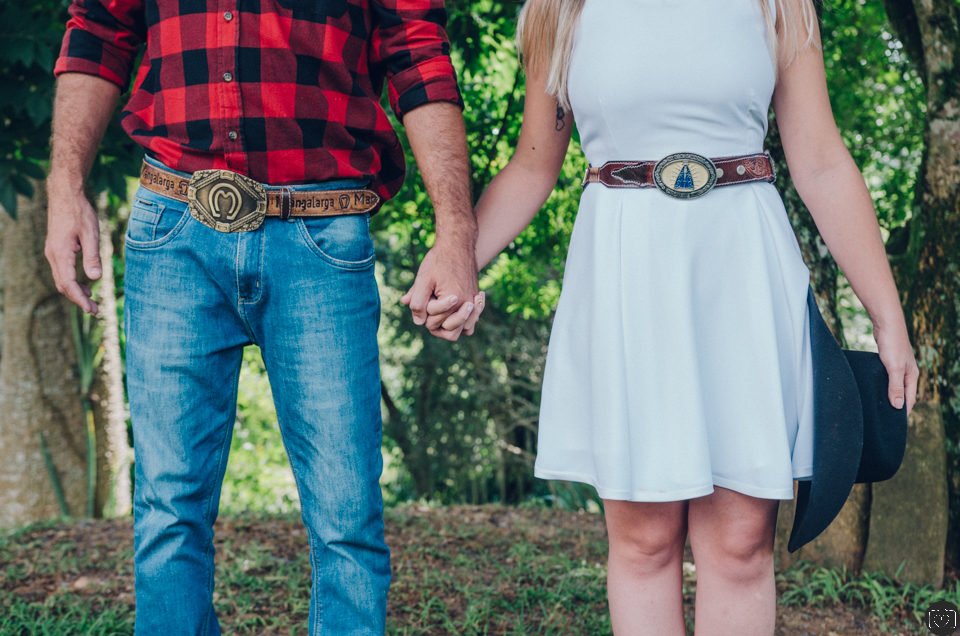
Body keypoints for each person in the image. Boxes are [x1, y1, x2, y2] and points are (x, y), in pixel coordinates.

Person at [414, 0, 919, 633]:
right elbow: (532, 166)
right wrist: (457, 263)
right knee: (644, 541)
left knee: (741, 542)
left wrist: (888, 318)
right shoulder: (558, 9)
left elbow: (821, 160)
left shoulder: (780, 4)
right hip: (627, 274)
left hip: (740, 272)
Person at [45, 0, 483, 633]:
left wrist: (457, 232)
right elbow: (98, 28)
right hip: (174, 223)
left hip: (322, 232)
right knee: (167, 509)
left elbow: (416, 49)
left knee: (346, 514)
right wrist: (64, 189)